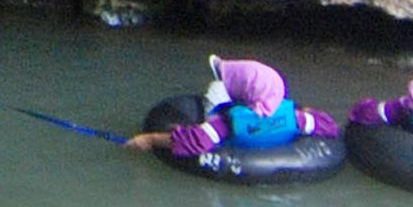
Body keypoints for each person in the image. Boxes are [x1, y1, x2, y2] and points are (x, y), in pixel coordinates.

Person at [125, 55, 335, 161]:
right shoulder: (296, 118)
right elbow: (328, 127)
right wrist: (307, 112)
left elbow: (193, 140)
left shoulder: (227, 123)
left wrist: (149, 139)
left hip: (238, 151)